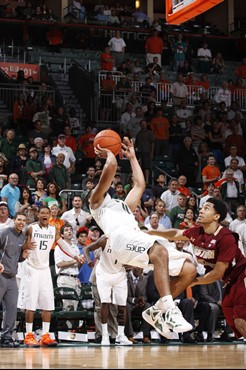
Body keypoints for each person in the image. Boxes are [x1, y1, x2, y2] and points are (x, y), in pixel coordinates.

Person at [89, 137, 195, 339]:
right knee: (160, 251)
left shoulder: (122, 207)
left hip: (134, 238)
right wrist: (108, 152)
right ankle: (170, 310)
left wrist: (132, 157)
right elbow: (110, 167)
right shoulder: (96, 204)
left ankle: (157, 311)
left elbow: (139, 185)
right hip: (119, 239)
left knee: (189, 268)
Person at [147, 197, 246, 339]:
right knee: (235, 325)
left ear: (216, 216)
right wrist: (152, 233)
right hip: (230, 283)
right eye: (201, 208)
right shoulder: (197, 232)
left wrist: (195, 281)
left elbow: (217, 273)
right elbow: (176, 234)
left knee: (240, 321)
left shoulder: (226, 238)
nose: (200, 211)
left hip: (241, 278)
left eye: (206, 208)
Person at [17, 206, 85, 347]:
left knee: (48, 304)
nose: (44, 215)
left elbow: (62, 244)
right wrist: (24, 247)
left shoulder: (53, 229)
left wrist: (76, 256)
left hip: (45, 269)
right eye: (42, 213)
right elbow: (20, 245)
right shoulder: (31, 228)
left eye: (46, 213)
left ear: (49, 216)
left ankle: (45, 335)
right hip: (31, 268)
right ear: (38, 215)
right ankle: (29, 335)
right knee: (30, 305)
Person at [0, 212, 29, 348]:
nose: (21, 222)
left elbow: (17, 258)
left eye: (23, 220)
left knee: (11, 308)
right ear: (13, 220)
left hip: (12, 277)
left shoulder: (22, 237)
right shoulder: (4, 232)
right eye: (19, 219)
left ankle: (6, 337)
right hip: (1, 274)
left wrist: (23, 256)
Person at [54, 224, 86, 310]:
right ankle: (65, 324)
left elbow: (78, 267)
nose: (69, 231)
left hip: (75, 278)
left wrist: (82, 262)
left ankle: (75, 324)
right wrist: (76, 260)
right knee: (68, 306)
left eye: (71, 229)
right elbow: (59, 264)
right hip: (64, 278)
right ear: (62, 235)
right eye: (66, 230)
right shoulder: (59, 247)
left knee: (75, 306)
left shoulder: (75, 247)